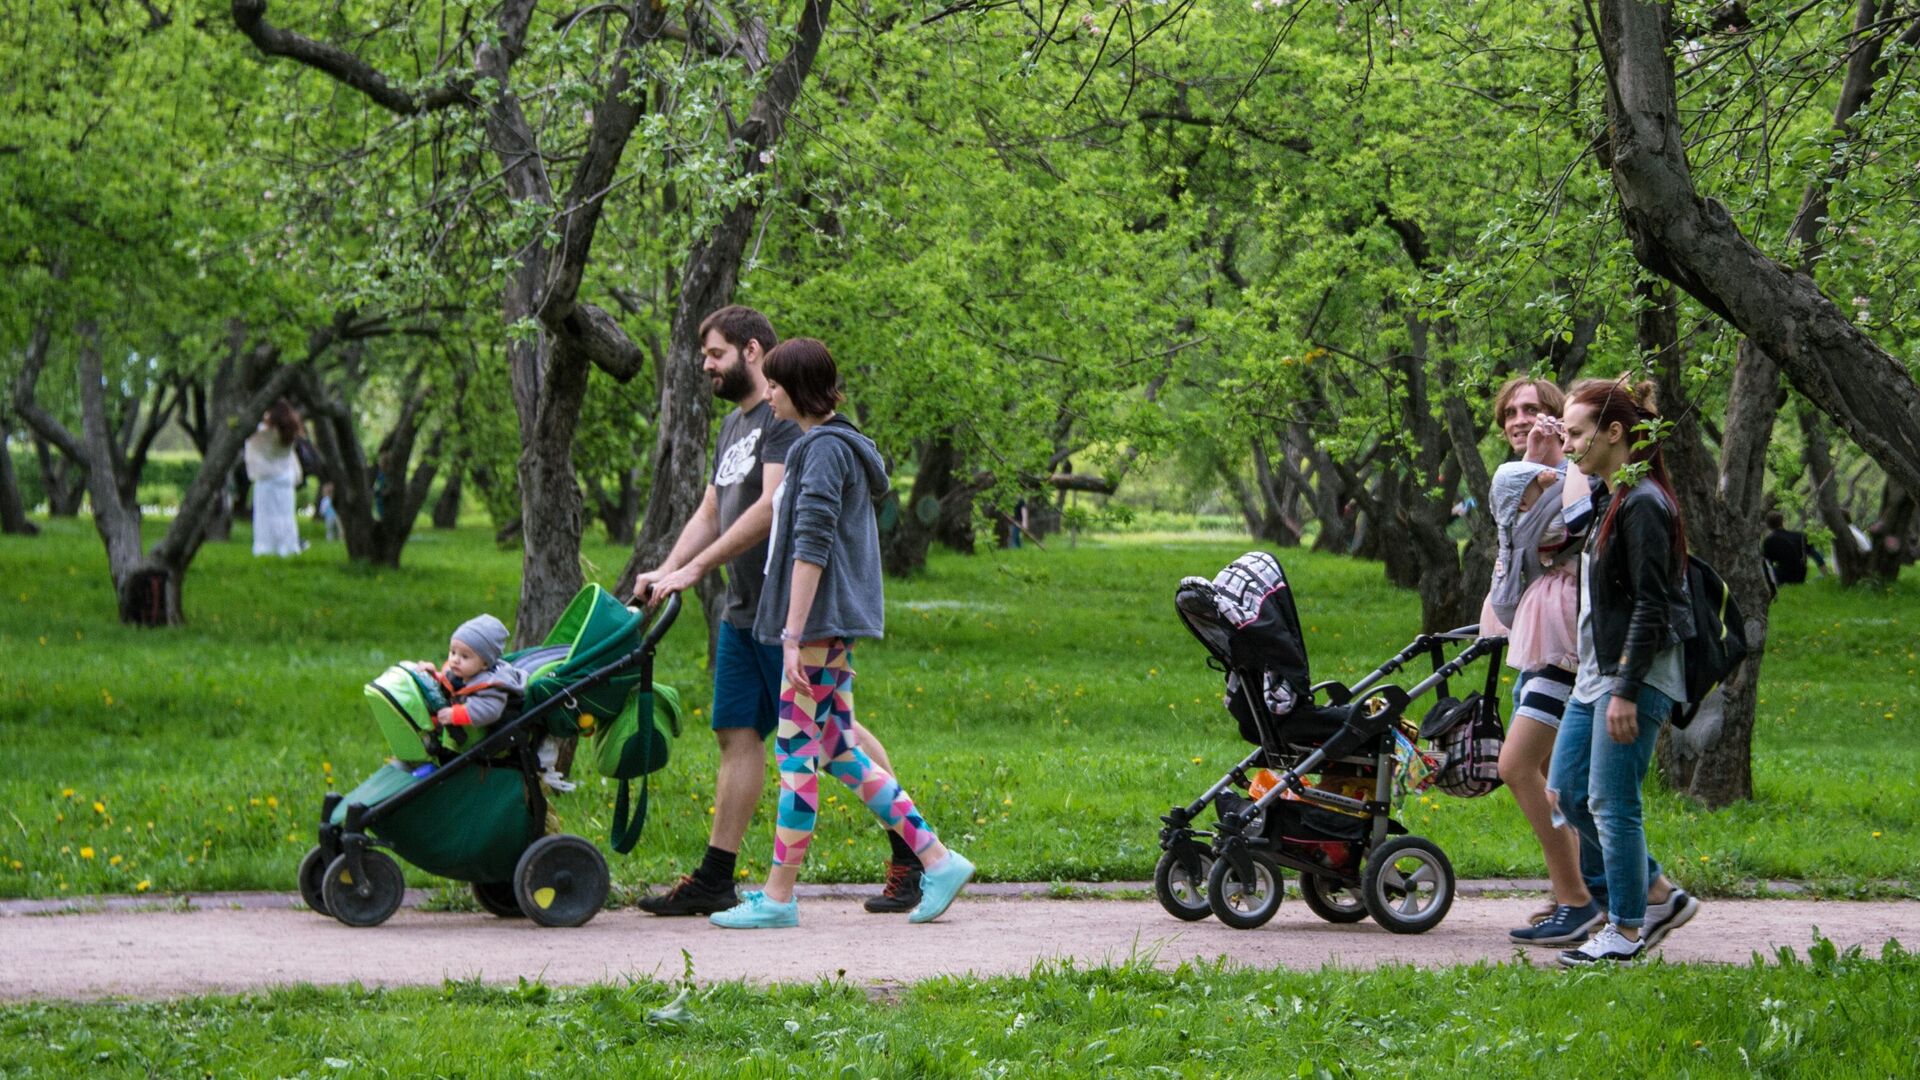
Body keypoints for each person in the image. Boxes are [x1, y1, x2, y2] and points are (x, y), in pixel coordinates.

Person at [630, 306, 922, 917]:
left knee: (834, 737)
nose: (704, 364)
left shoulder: (788, 422)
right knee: (738, 734)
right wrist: (670, 567)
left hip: (791, 608)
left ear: (752, 351)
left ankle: (911, 854)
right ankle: (717, 876)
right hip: (744, 611)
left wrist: (696, 570)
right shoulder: (733, 428)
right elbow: (712, 510)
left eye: (715, 353)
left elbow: (771, 510)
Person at [709, 338, 972, 929]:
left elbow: (812, 544)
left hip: (817, 625)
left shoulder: (822, 450)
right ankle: (938, 858)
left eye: (774, 383)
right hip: (824, 625)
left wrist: (792, 634)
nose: (767, 391)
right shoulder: (825, 444)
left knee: (797, 756)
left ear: (796, 388)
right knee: (839, 750)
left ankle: (779, 897)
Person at [1546, 379, 1701, 966]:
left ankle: (1628, 929)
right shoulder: (1615, 496)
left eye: (1578, 435)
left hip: (1632, 676)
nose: (1570, 447)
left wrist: (1626, 691)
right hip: (1597, 673)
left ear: (1615, 433)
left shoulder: (1643, 504)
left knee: (1612, 803)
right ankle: (1656, 893)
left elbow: (1652, 605)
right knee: (1566, 792)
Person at [1478, 377, 1593, 946]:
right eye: (1512, 413)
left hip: (1564, 642)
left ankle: (1582, 896)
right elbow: (1512, 550)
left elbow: (1546, 532)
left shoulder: (1571, 474)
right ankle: (1573, 889)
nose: (1521, 419)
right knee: (1553, 782)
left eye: (1535, 410)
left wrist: (1547, 465)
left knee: (1518, 767)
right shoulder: (1520, 476)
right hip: (1536, 638)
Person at [244, 399, 306, 557]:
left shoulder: (263, 433)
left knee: (266, 517)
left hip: (267, 479)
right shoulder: (290, 432)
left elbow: (250, 444)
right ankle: (287, 547)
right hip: (286, 478)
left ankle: (266, 548)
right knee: (285, 516)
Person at [1759, 510, 1824, 585]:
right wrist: (1825, 574)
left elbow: (1768, 563)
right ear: (1783, 522)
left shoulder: (1768, 541)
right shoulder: (1800, 536)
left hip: (1781, 577)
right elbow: (1815, 555)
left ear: (1768, 525)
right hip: (1800, 576)